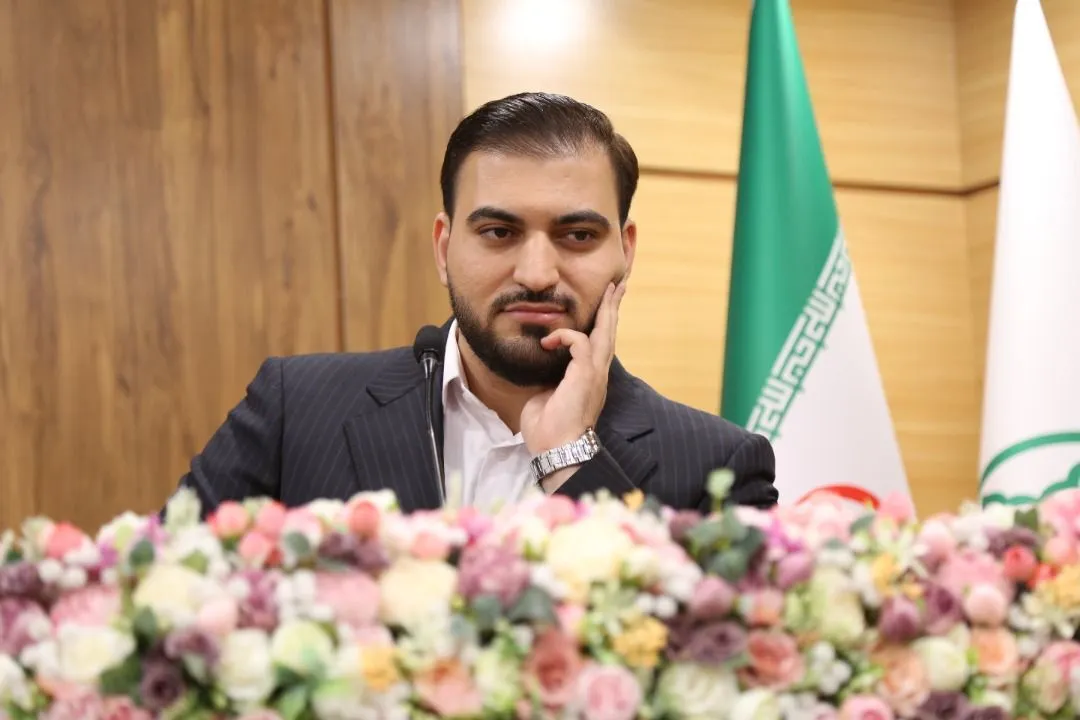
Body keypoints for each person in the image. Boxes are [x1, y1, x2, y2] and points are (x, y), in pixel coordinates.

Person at [173, 92, 779, 516]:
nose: (537, 275)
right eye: (498, 232)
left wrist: (569, 460)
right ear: (444, 248)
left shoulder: (717, 467)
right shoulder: (294, 410)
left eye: (577, 235)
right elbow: (157, 610)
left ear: (625, 250)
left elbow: (703, 650)